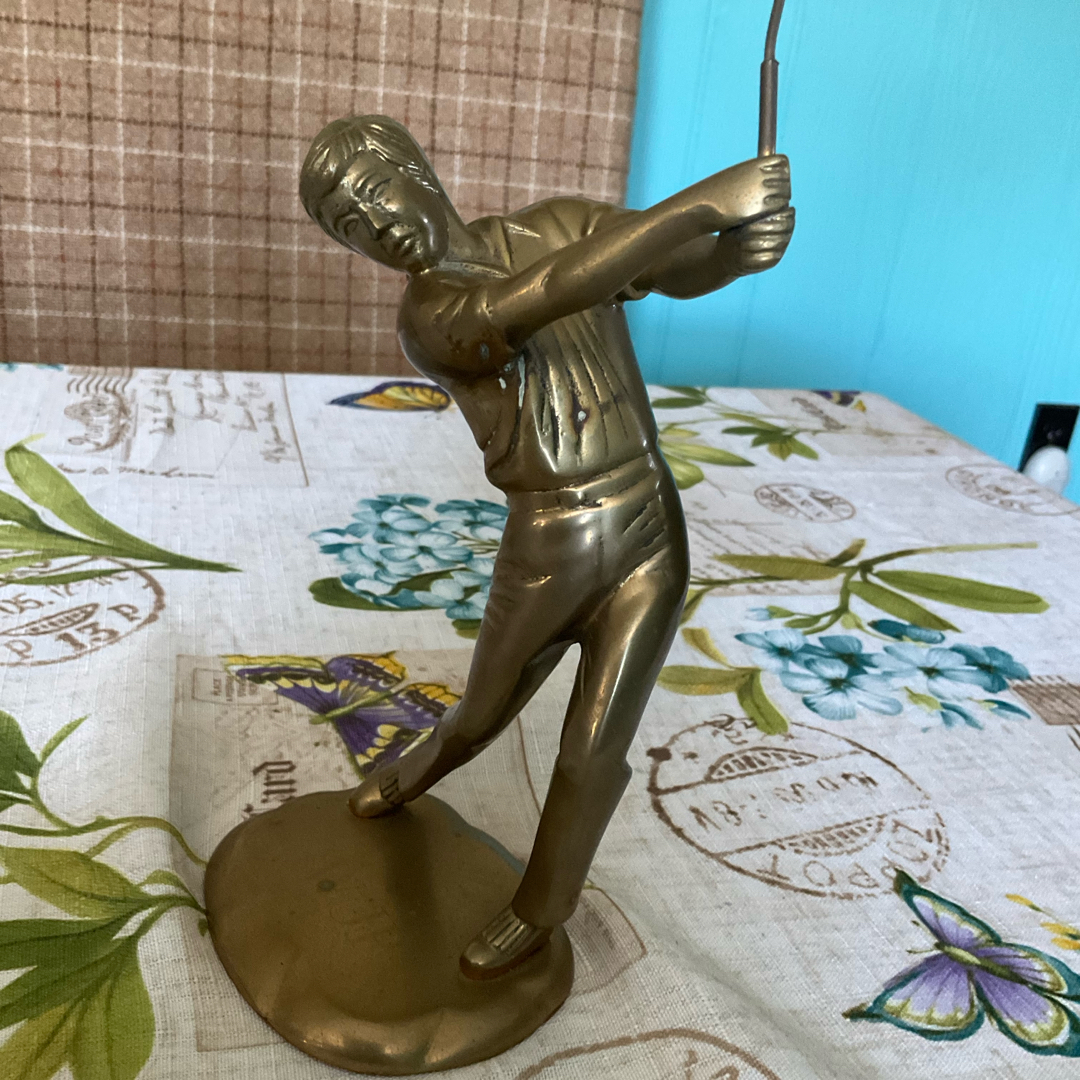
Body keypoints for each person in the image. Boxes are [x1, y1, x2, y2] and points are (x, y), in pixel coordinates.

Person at [299, 116, 794, 978]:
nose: (375, 225)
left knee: (594, 746)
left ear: (417, 169)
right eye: (351, 227)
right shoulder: (430, 317)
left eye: (374, 193)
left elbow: (668, 268)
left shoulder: (558, 222)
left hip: (650, 519)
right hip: (550, 543)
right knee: (482, 716)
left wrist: (736, 250)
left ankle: (541, 908)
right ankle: (415, 772)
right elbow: (546, 294)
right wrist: (701, 205)